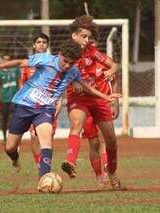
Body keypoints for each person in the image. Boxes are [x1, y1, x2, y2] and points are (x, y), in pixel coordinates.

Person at [0, 40, 121, 184]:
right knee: (10, 146)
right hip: (24, 105)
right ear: (60, 55)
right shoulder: (45, 59)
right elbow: (20, 63)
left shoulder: (73, 71)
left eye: (71, 63)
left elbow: (87, 87)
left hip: (45, 109)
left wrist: (106, 97)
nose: (68, 65)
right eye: (65, 61)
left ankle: (43, 179)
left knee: (46, 141)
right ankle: (14, 158)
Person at [61, 15, 123, 190]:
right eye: (84, 36)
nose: (87, 40)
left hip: (98, 99)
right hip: (77, 99)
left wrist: (112, 69)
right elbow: (60, 72)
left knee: (111, 140)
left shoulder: (91, 50)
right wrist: (72, 82)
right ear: (74, 35)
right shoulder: (66, 52)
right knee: (77, 125)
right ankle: (70, 162)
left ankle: (112, 172)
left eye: (89, 37)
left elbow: (114, 66)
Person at [19, 33, 62, 167]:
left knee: (47, 139)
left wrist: (59, 102)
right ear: (34, 45)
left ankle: (45, 164)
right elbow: (22, 85)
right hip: (32, 105)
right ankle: (40, 165)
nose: (41, 44)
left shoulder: (54, 62)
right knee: (33, 136)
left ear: (47, 45)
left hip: (49, 105)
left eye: (44, 42)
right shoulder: (27, 64)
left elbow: (60, 84)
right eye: (39, 42)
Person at [0, 54, 20, 144]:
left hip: (14, 98)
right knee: (4, 119)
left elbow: (19, 82)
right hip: (4, 99)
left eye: (8, 59)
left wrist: (20, 94)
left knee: (15, 119)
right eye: (4, 59)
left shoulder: (15, 70)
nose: (6, 61)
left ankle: (15, 138)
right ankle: (5, 138)